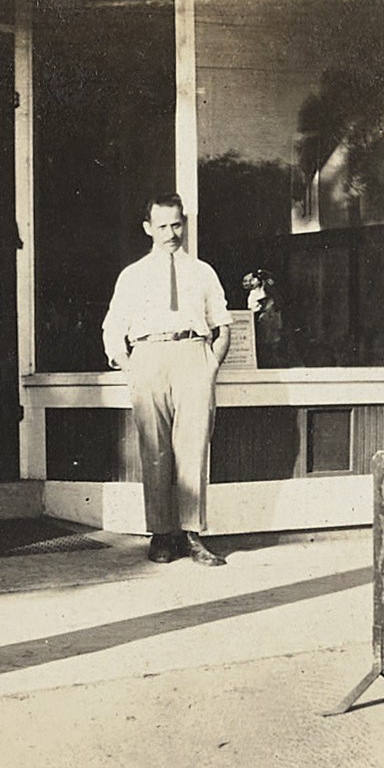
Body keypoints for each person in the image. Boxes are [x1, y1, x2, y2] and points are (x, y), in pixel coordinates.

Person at [102, 193, 232, 566]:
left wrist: (211, 365)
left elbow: (223, 324)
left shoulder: (202, 271)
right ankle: (161, 535)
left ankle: (192, 535)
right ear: (148, 229)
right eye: (162, 226)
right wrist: (129, 365)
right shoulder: (133, 275)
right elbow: (113, 325)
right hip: (149, 357)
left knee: (193, 448)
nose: (170, 232)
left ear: (184, 223)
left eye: (176, 224)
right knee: (155, 449)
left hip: (193, 355)